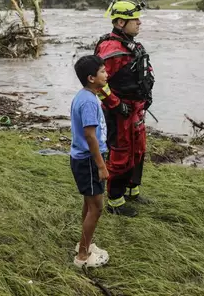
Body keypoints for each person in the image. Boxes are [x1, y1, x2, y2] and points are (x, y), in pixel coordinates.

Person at [94, 0, 155, 217]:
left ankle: (132, 190)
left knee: (138, 150)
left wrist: (146, 97)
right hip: (120, 112)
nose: (139, 23)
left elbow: (143, 71)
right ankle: (115, 201)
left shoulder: (131, 44)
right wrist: (116, 105)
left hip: (136, 108)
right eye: (135, 19)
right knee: (121, 153)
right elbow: (98, 82)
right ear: (121, 22)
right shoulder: (110, 48)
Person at [70, 55, 111, 268]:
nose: (107, 74)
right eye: (103, 71)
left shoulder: (86, 95)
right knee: (97, 207)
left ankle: (83, 244)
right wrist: (101, 165)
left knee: (89, 203)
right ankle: (83, 257)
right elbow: (90, 135)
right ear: (91, 77)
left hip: (84, 158)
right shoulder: (87, 101)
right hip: (88, 160)